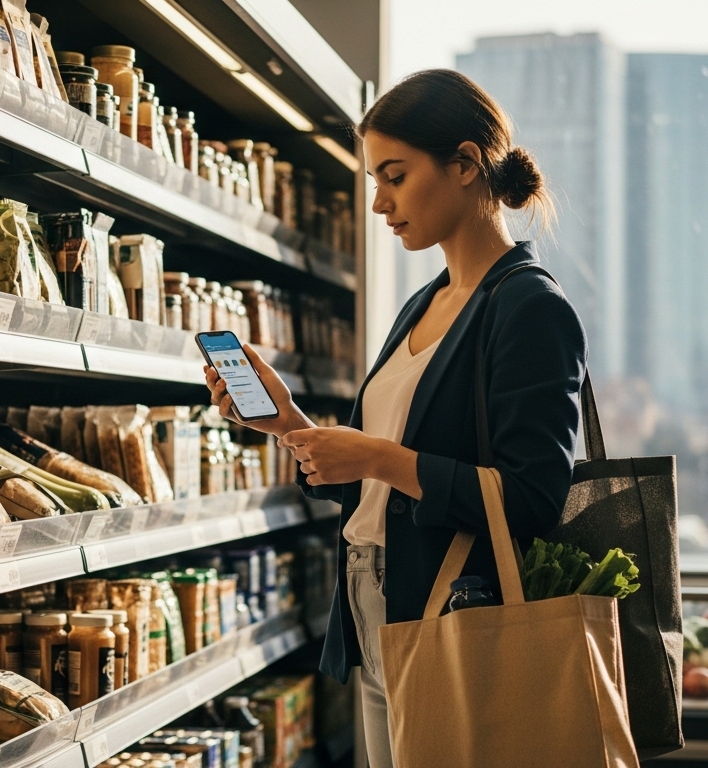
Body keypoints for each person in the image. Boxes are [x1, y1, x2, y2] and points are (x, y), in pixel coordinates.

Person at [202, 69, 586, 767]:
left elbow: (532, 500)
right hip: (375, 599)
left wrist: (378, 458)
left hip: (457, 614)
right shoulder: (425, 304)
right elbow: (379, 484)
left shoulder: (530, 308)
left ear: (465, 164)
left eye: (395, 176)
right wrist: (288, 423)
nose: (379, 202)